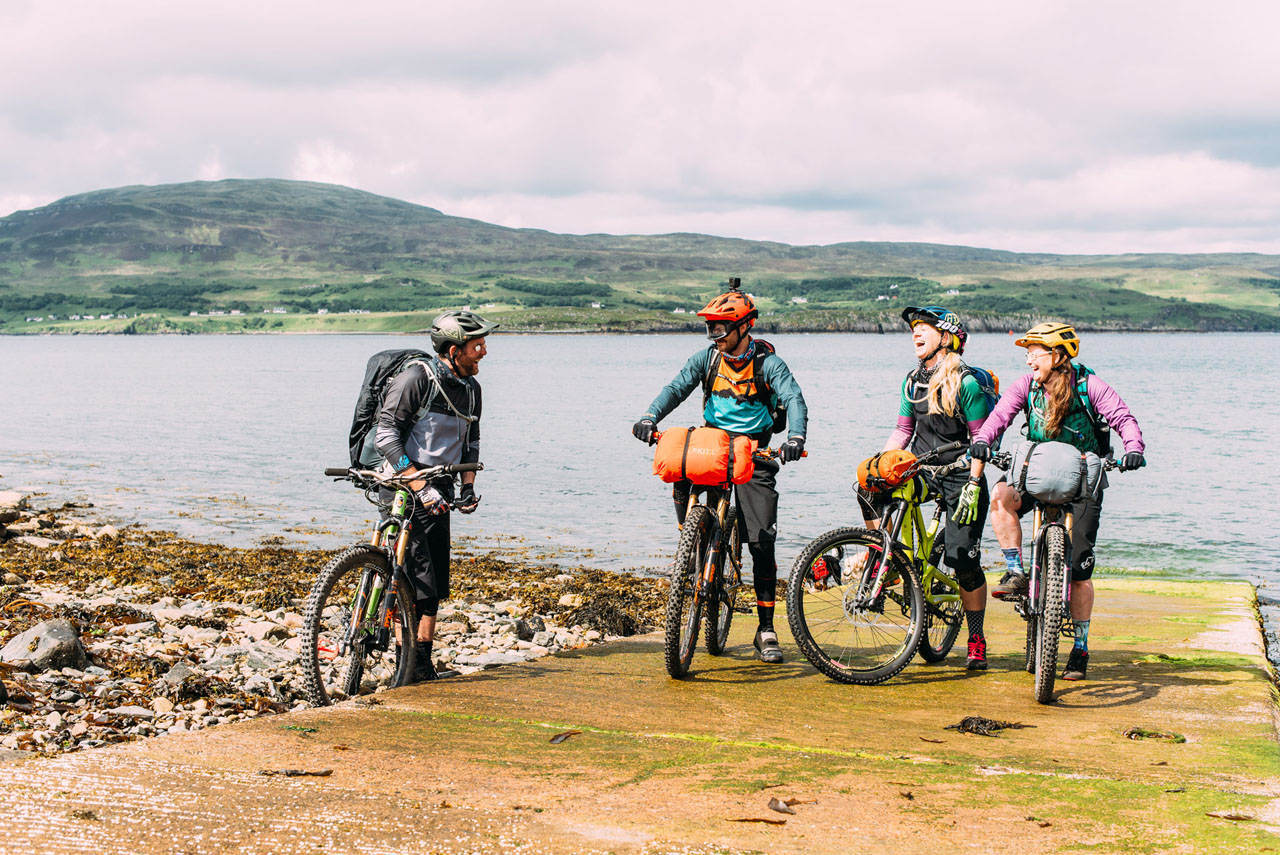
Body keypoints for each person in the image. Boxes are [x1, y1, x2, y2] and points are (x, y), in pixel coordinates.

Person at [632, 280, 808, 664]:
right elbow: (676, 388)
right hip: (713, 448)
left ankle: (765, 629)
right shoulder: (706, 359)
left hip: (756, 452)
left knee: (761, 542)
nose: (714, 335)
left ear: (745, 327)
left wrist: (795, 436)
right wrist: (648, 416)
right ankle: (693, 540)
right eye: (709, 328)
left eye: (720, 328)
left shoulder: (768, 364)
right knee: (678, 467)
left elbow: (793, 397)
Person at [968, 321, 1145, 681]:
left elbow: (1122, 416)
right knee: (1001, 497)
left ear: (1058, 354)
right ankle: (1017, 570)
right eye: (1028, 353)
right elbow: (1000, 416)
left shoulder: (1087, 384)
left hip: (1082, 480)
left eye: (1036, 353)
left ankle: (1079, 648)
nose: (1029, 360)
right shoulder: (1027, 386)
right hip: (1036, 475)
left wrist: (1133, 449)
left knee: (1079, 572)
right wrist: (984, 440)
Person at [856, 306, 994, 670]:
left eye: (924, 329)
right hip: (920, 465)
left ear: (946, 337)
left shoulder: (966, 383)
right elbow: (903, 431)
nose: (916, 334)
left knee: (963, 561)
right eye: (913, 329)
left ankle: (976, 638)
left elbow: (982, 438)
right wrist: (884, 462)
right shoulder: (911, 380)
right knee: (868, 488)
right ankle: (885, 556)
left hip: (961, 471)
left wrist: (975, 484)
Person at [374, 309, 497, 681]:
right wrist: (418, 485)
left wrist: (469, 485)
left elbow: (470, 442)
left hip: (441, 489)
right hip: (402, 488)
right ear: (454, 349)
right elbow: (385, 436)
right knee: (412, 578)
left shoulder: (472, 391)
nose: (484, 352)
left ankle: (422, 663)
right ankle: (405, 661)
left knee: (436, 582)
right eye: (477, 345)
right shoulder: (417, 379)